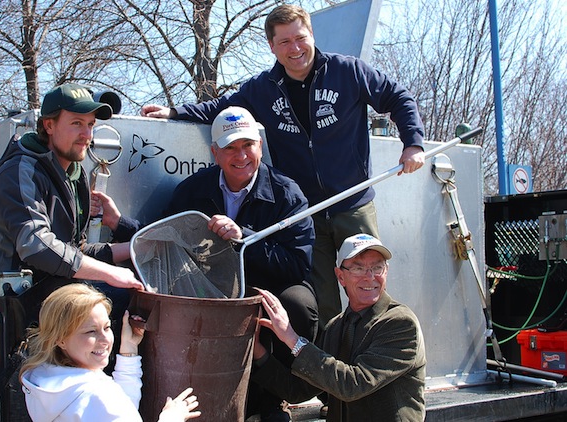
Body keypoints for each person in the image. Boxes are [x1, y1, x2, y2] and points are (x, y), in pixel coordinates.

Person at [141, 4, 426, 333]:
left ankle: (378, 358)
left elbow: (397, 97)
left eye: (300, 38)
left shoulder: (348, 71)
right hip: (306, 212)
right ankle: (328, 373)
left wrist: (413, 143)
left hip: (353, 204)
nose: (295, 48)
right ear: (272, 47)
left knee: (368, 287)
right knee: (323, 300)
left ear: (311, 35)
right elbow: (221, 108)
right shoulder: (262, 88)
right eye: (285, 42)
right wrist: (175, 113)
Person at [0, 83, 144, 419]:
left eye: (91, 125)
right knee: (7, 407)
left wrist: (134, 249)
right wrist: (112, 273)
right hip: (2, 314)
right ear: (48, 125)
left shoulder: (75, 174)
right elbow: (36, 244)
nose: (87, 134)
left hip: (49, 313)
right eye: (77, 123)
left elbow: (74, 250)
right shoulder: (20, 170)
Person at [165, 106, 318, 422]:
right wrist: (120, 223)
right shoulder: (192, 190)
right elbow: (163, 238)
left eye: (248, 144)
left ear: (260, 145)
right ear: (214, 153)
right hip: (210, 283)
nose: (241, 155)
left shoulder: (288, 194)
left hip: (268, 283)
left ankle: (273, 401)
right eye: (230, 147)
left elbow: (297, 265)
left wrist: (245, 238)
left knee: (298, 305)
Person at [251, 234, 426, 422]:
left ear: (386, 271)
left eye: (377, 267)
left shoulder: (400, 323)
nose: (370, 277)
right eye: (359, 268)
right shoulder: (336, 327)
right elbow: (298, 391)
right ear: (340, 276)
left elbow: (352, 385)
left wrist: (292, 339)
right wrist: (258, 352)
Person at [20, 283, 201, 421]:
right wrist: (171, 418)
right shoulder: (97, 393)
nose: (105, 339)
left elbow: (118, 408)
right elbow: (108, 404)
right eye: (91, 331)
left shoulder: (42, 380)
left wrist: (129, 349)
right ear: (60, 339)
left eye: (106, 328)